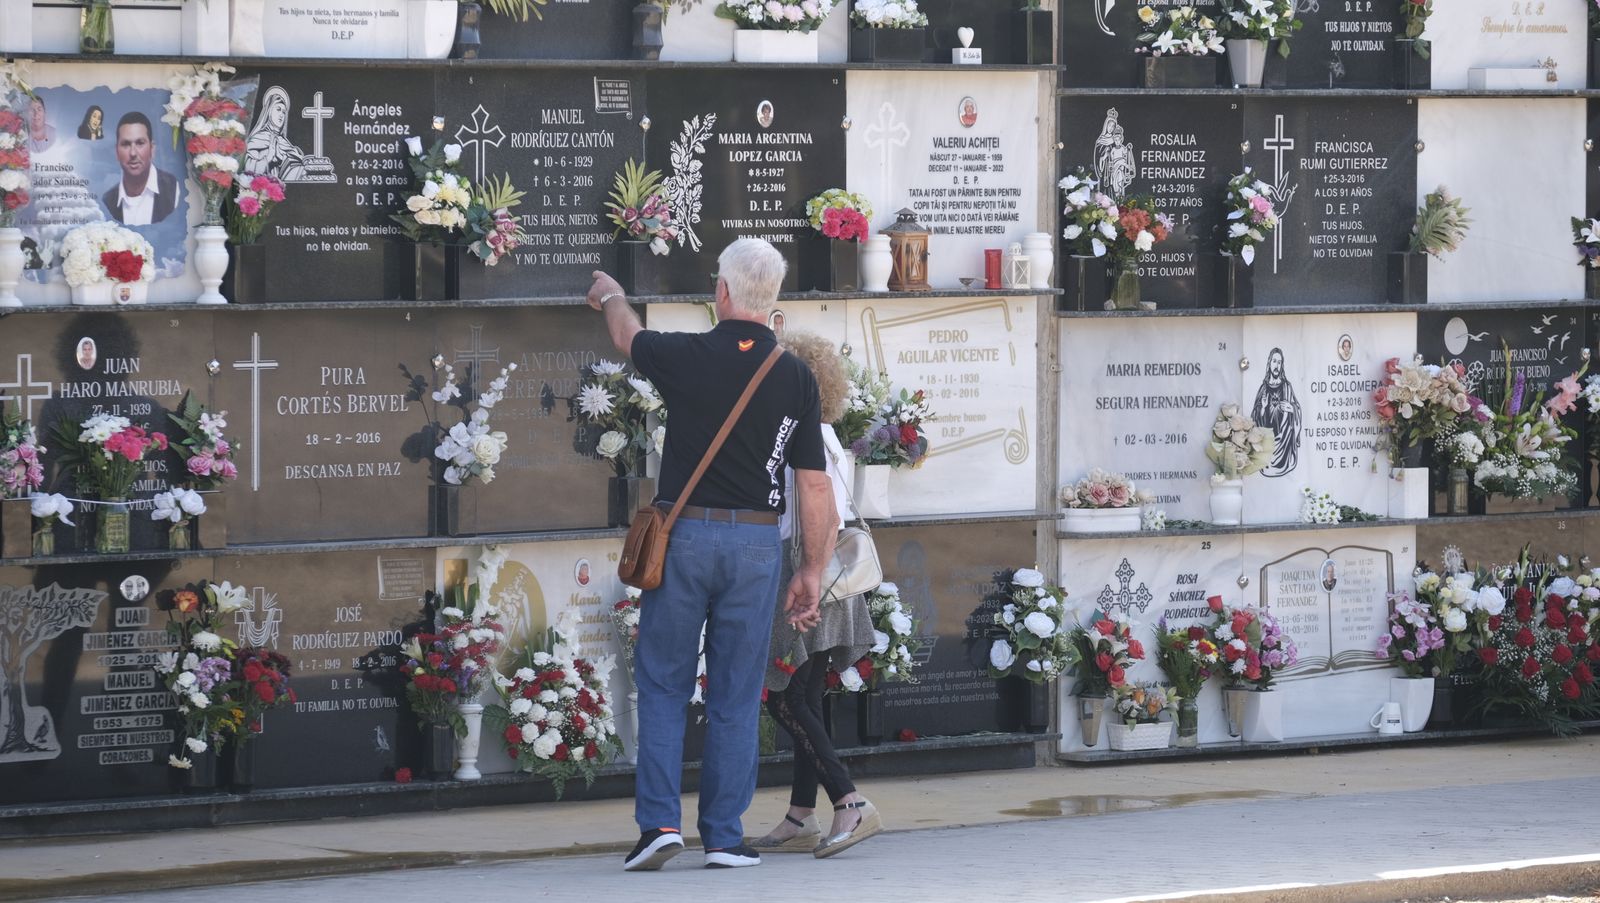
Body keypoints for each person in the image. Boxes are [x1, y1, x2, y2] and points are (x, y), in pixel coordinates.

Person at [586, 238, 837, 873]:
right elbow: (814, 486)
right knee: (736, 691)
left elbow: (626, 336)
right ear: (771, 299)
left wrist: (611, 294)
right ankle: (724, 837)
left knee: (665, 682)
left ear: (722, 292)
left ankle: (660, 828)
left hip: (686, 539)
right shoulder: (794, 375)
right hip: (757, 545)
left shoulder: (688, 352)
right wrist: (812, 568)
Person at [751, 330, 884, 859]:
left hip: (810, 573)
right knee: (803, 696)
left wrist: (802, 574)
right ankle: (801, 815)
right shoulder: (819, 431)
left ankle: (848, 801)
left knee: (784, 695)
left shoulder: (811, 436)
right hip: (820, 574)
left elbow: (819, 512)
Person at [102, 112, 178, 225]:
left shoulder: (174, 190)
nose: (133, 153)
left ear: (152, 149)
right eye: (126, 144)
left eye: (140, 143)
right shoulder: (108, 201)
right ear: (117, 152)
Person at [1252, 346, 1301, 477]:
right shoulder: (1263, 388)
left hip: (1284, 443)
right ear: (1269, 363)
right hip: (1268, 442)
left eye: (1279, 363)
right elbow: (1255, 417)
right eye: (1274, 361)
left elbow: (1297, 408)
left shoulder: (1287, 387)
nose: (1276, 365)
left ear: (1282, 365)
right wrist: (1262, 407)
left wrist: (1292, 409)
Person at [245, 86, 309, 182]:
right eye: (278, 109)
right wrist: (268, 159)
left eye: (283, 112)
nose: (281, 115)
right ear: (269, 111)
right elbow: (247, 169)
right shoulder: (258, 139)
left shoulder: (284, 142)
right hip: (261, 190)